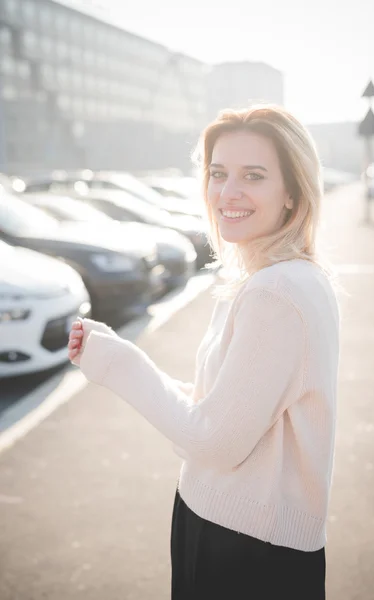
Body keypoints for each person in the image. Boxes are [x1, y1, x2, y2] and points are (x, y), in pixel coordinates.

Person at [68, 104, 340, 599]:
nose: (227, 193)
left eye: (253, 176)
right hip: (244, 536)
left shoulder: (275, 293)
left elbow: (214, 441)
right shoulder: (281, 279)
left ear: (293, 192)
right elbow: (218, 407)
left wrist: (117, 363)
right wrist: (112, 349)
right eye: (218, 174)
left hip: (243, 549)